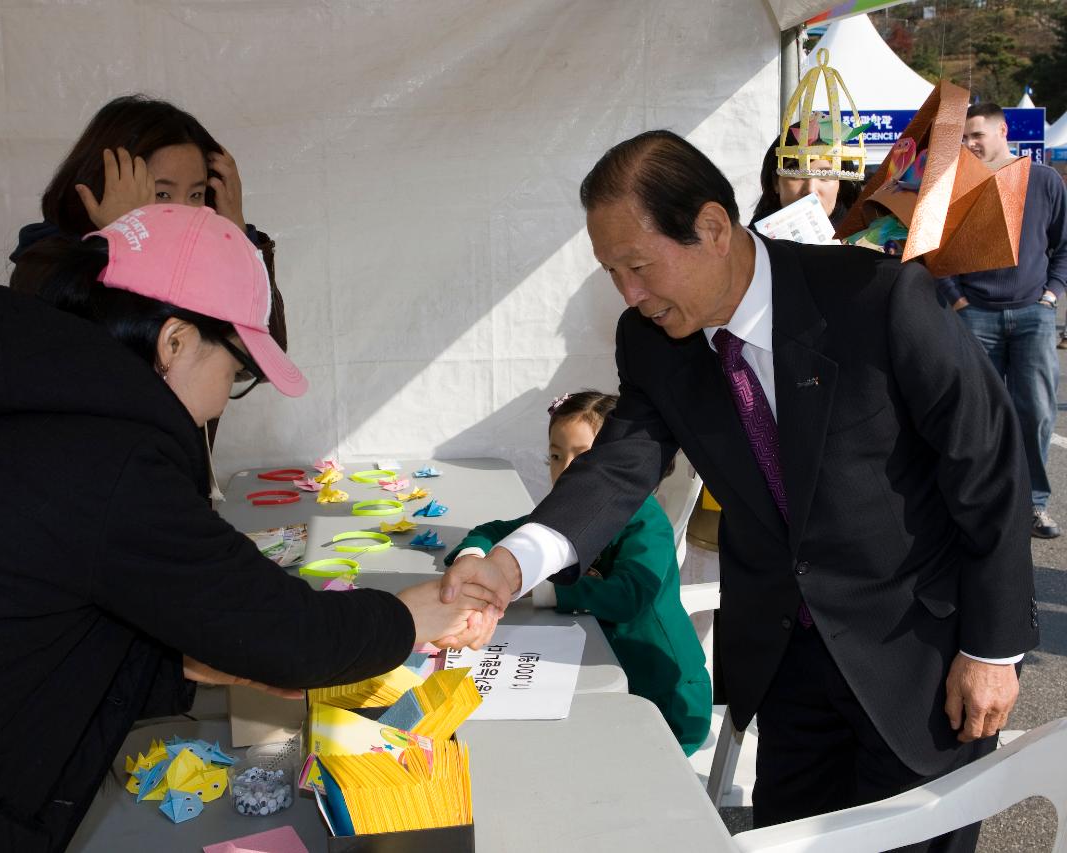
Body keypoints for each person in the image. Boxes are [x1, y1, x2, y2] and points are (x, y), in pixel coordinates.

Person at [0, 204, 490, 851]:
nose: (223, 400)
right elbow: (289, 637)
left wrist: (181, 659)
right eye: (235, 371)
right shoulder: (106, 451)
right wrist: (419, 611)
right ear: (176, 341)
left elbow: (13, 596)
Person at [439, 130, 1038, 851]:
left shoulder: (873, 299)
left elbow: (987, 466)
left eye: (637, 265)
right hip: (790, 671)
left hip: (920, 661)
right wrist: (509, 566)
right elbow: (619, 465)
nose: (630, 294)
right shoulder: (654, 341)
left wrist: (993, 648)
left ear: (714, 229)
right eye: (612, 272)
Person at [10, 95, 285, 498]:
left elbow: (264, 359)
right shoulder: (45, 264)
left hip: (168, 494)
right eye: (161, 195)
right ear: (101, 188)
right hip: (90, 503)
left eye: (195, 195)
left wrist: (241, 242)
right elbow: (102, 379)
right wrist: (123, 240)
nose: (184, 213)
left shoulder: (196, 261)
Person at [445, 390, 712, 756]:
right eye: (556, 456)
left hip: (665, 695)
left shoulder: (648, 522)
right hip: (606, 672)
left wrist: (544, 590)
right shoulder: (562, 516)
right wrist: (471, 558)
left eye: (583, 458)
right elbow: (492, 531)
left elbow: (628, 597)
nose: (566, 470)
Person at [936, 102, 1067, 539]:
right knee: (978, 415)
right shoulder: (958, 186)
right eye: (966, 138)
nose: (971, 144)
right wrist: (957, 301)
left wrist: (1051, 295)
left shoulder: (1044, 180)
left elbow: (1063, 244)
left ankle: (1032, 505)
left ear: (1002, 131)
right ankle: (986, 504)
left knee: (1036, 413)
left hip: (1034, 313)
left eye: (978, 135)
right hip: (975, 315)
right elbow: (937, 248)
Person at [749, 136, 862, 228]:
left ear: (840, 185)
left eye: (826, 175)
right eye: (796, 174)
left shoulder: (865, 244)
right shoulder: (749, 244)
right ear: (776, 183)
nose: (810, 190)